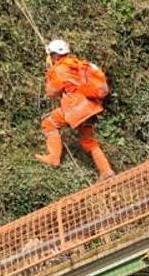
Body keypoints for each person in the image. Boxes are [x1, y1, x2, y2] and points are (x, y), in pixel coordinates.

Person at [36, 39, 115, 180]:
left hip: (75, 108)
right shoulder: (77, 64)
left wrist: (49, 72)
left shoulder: (59, 69)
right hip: (90, 107)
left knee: (49, 124)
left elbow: (51, 92)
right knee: (88, 140)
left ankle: (54, 157)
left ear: (54, 55)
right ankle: (106, 171)